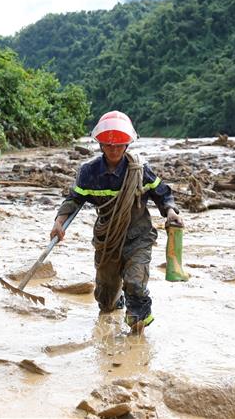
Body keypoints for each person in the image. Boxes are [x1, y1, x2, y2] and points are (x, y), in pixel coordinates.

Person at [50, 110, 183, 334]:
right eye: (109, 145)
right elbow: (74, 199)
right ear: (101, 145)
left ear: (127, 145)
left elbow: (162, 193)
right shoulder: (89, 173)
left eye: (119, 145)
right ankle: (117, 302)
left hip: (138, 237)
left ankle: (137, 331)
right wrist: (59, 222)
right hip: (107, 240)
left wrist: (170, 211)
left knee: (135, 283)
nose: (114, 149)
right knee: (106, 300)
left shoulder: (140, 171)